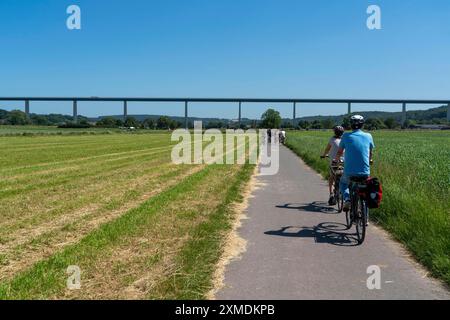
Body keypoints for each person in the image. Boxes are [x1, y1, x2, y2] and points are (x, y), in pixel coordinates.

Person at [334, 115, 375, 212]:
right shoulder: (368, 136)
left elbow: (339, 152)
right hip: (365, 171)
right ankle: (366, 219)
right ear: (362, 125)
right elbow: (370, 152)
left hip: (349, 171)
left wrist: (336, 160)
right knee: (365, 193)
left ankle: (347, 199)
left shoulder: (346, 136)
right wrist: (370, 160)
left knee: (343, 183)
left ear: (351, 125)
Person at [321, 126, 345, 205]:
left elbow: (327, 149)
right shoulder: (344, 140)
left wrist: (324, 155)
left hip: (334, 163)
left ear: (335, 132)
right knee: (344, 177)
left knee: (331, 177)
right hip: (344, 162)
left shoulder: (332, 139)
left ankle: (331, 194)